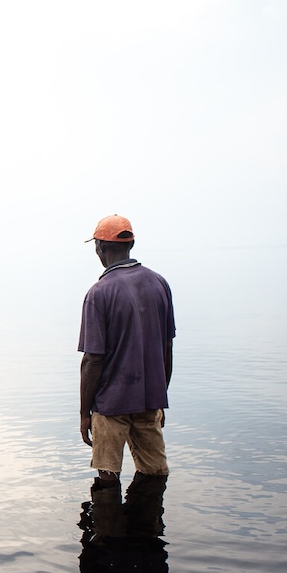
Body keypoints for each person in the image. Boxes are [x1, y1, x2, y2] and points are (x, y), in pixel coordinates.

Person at [78, 214, 174, 508]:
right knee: (155, 472)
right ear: (130, 244)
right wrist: (160, 395)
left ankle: (107, 537)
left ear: (101, 248)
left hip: (111, 405)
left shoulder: (99, 293)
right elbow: (166, 347)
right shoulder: (159, 283)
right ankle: (147, 537)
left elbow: (93, 360)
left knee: (108, 476)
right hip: (149, 399)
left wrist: (85, 413)